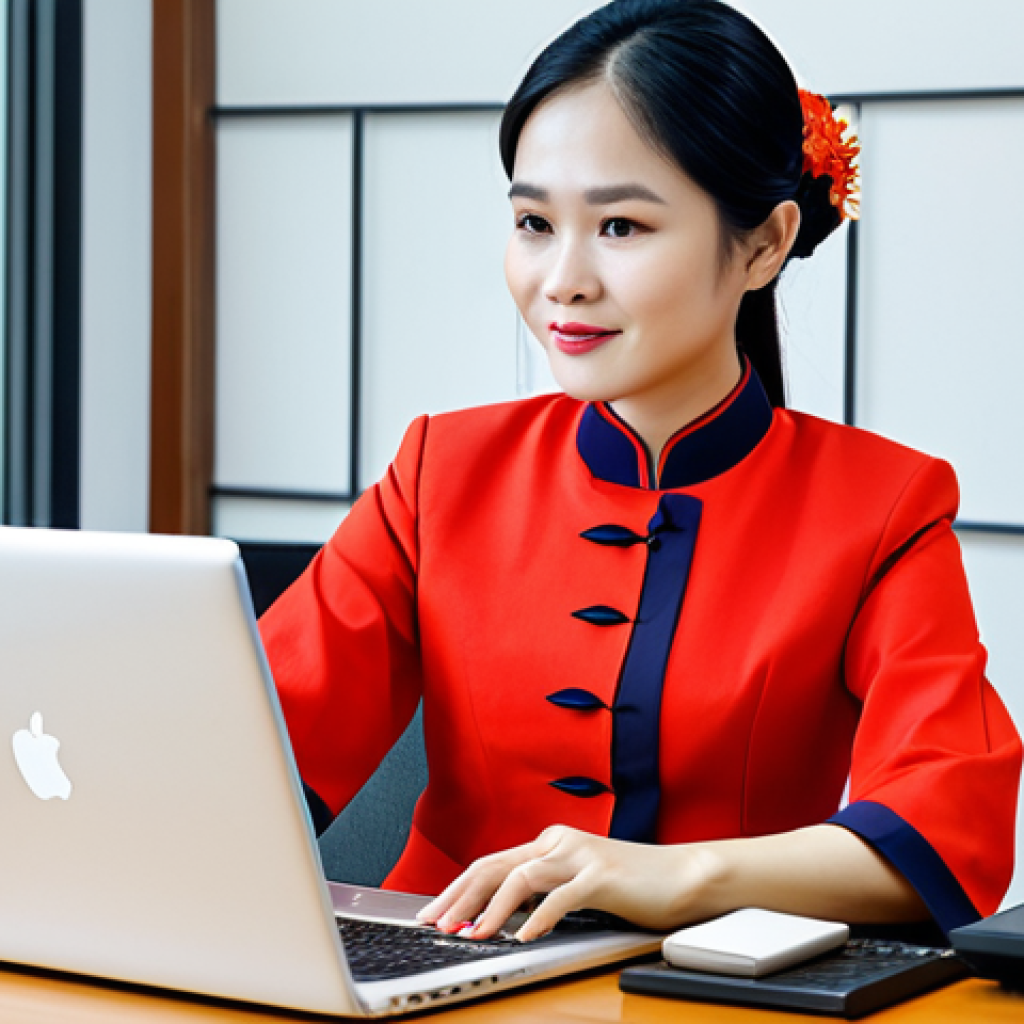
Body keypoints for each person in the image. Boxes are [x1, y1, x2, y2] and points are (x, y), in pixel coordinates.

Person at [259, 0, 1021, 945]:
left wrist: (677, 875)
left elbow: (950, 828)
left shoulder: (885, 506)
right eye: (535, 222)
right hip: (426, 968)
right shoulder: (438, 471)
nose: (563, 278)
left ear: (766, 244)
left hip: (709, 993)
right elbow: (244, 751)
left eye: (620, 226)